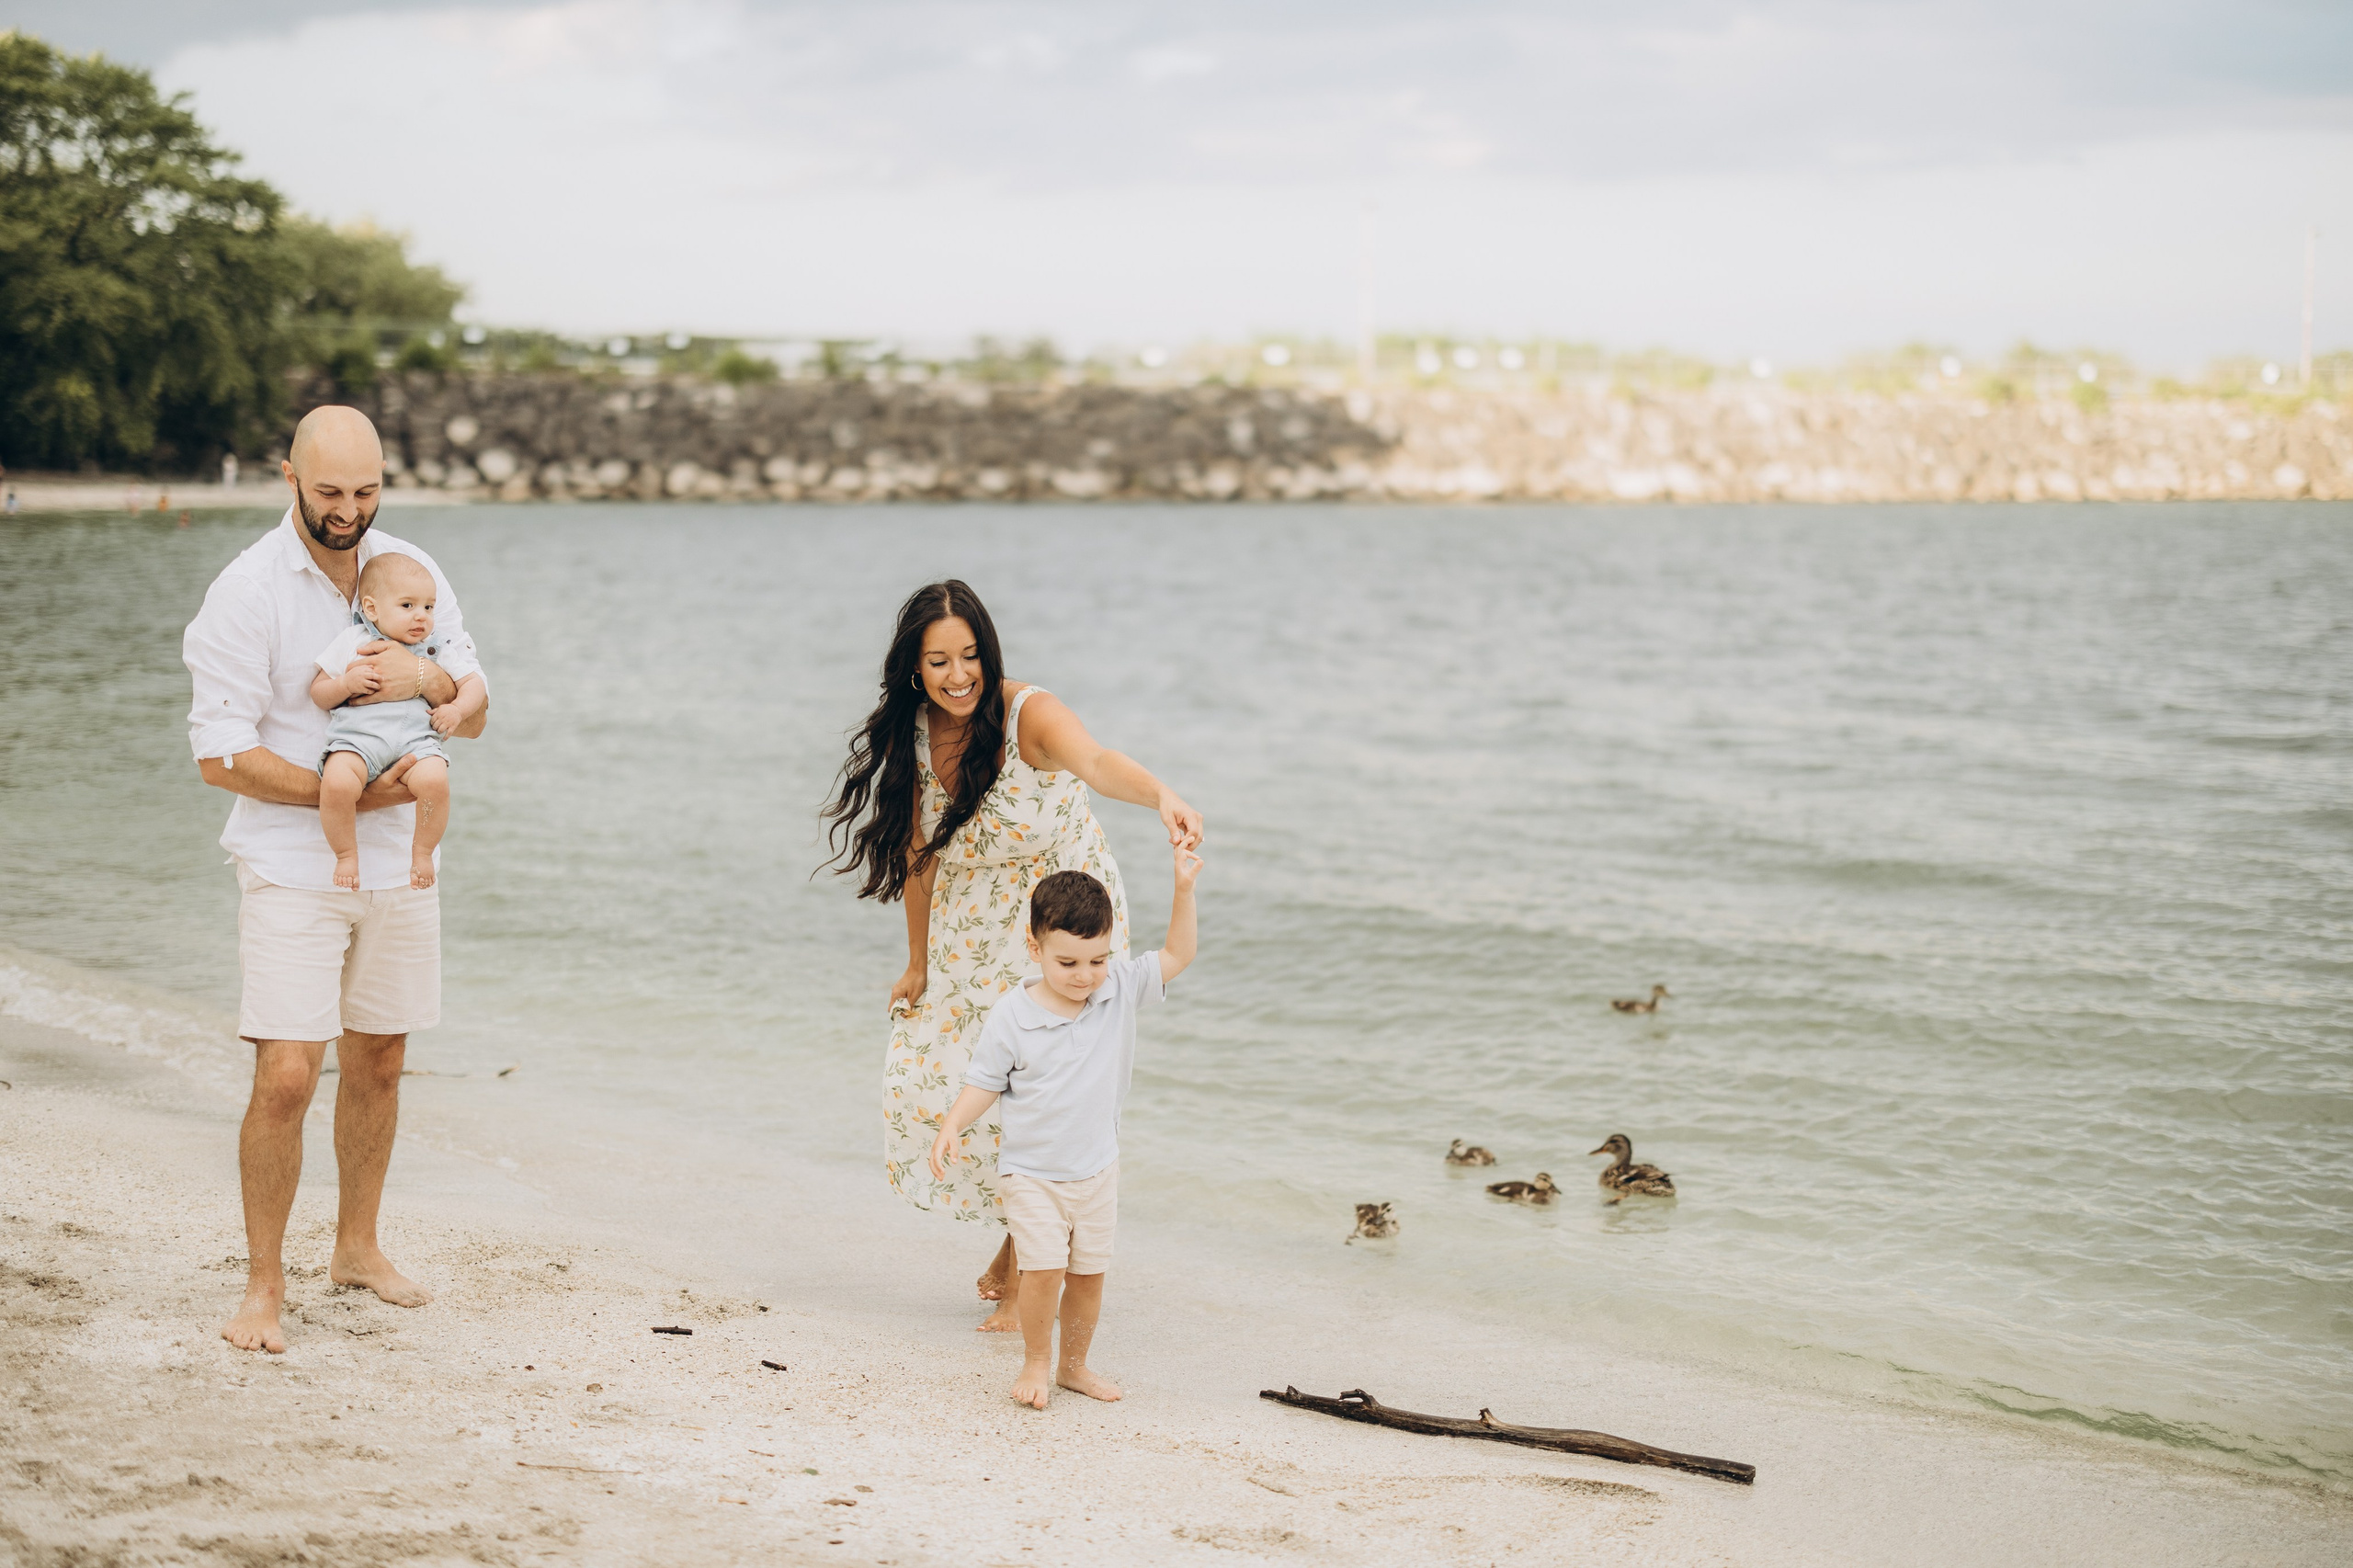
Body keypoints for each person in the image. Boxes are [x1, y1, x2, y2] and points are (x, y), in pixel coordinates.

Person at [182, 404, 488, 1355]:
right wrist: (341, 797)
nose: (348, 511)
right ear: (289, 478)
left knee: (383, 1057)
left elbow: (474, 704)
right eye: (329, 493)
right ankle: (262, 1285)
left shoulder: (413, 572)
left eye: (365, 491)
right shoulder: (246, 591)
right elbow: (218, 754)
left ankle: (356, 1247)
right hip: (290, 863)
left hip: (402, 866)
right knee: (285, 1073)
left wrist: (431, 686)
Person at [821, 579, 1203, 1331]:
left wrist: (1161, 795)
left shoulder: (1030, 715)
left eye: (970, 656)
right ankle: (1021, 1241)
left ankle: (1026, 1265)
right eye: (939, 662)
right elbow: (919, 852)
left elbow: (1095, 763)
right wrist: (918, 962)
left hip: (1062, 911)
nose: (958, 675)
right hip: (973, 918)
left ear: (988, 653)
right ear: (913, 668)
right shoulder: (916, 731)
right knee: (956, 1074)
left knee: (1047, 1081)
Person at [929, 855, 1199, 1408]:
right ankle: (1035, 1362)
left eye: (1097, 959)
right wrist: (953, 1124)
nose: (1085, 975)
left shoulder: (1118, 988)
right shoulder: (1012, 1014)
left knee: (1088, 1276)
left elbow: (1178, 954)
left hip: (1097, 1169)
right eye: (1068, 962)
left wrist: (1183, 887)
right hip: (1031, 1173)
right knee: (1043, 1272)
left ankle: (1074, 1366)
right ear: (1036, 949)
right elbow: (984, 1080)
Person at [313, 552, 486, 891]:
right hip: (358, 741)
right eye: (407, 606)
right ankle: (346, 854)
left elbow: (475, 684)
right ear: (373, 608)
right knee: (336, 784)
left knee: (435, 783)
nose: (421, 616)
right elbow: (318, 692)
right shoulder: (354, 641)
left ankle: (422, 851)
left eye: (428, 607)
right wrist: (345, 685)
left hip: (415, 742)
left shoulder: (436, 648)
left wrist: (457, 710)